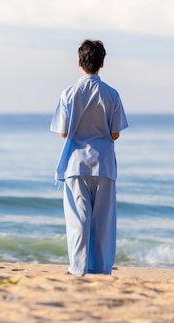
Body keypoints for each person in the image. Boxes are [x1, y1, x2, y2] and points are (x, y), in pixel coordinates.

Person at [50, 39, 128, 275]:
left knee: (78, 221)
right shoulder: (112, 94)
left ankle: (78, 268)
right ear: (102, 64)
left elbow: (63, 132)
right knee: (102, 223)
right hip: (103, 165)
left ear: (79, 62)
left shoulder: (69, 94)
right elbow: (114, 134)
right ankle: (101, 269)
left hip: (76, 164)